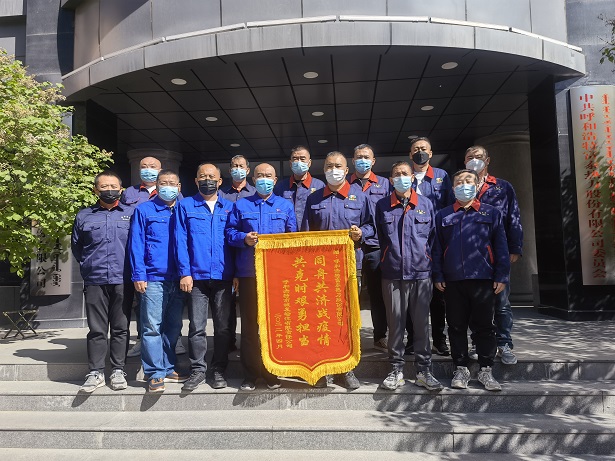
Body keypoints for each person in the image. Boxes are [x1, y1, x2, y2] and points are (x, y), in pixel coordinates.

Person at [301, 151, 374, 390]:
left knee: (347, 318)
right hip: (320, 269)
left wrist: (361, 233)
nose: (334, 170)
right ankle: (324, 368)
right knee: (322, 318)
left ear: (346, 169)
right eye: (330, 166)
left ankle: (346, 368)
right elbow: (305, 233)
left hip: (350, 266)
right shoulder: (313, 199)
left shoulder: (360, 197)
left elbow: (372, 226)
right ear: (324, 170)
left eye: (338, 166)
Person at [432, 169, 510, 391]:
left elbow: (501, 247)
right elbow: (436, 248)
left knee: (484, 326)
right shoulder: (443, 215)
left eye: (468, 181)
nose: (463, 185)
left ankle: (486, 369)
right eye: (459, 182)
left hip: (483, 278)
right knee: (456, 326)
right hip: (453, 280)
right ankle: (461, 368)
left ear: (476, 186)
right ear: (453, 188)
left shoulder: (491, 213)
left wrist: (501, 275)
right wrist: (438, 274)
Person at [225, 163, 297, 391]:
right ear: (253, 179)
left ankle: (272, 372)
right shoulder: (241, 205)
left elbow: (293, 239)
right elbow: (229, 233)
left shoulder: (285, 206)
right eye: (260, 176)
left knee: (274, 326)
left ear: (275, 180)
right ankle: (251, 374)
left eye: (268, 176)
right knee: (249, 327)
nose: (264, 179)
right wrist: (243, 239)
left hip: (277, 277)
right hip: (249, 274)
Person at [375, 161, 443, 391]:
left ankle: (424, 371)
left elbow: (433, 240)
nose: (401, 177)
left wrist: (433, 268)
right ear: (391, 179)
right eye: (396, 174)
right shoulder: (382, 205)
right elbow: (380, 237)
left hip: (421, 274)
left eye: (405, 173)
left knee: (422, 325)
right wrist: (388, 257)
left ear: (412, 177)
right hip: (393, 274)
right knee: (395, 325)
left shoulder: (426, 204)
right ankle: (396, 370)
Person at [71, 170, 135, 393]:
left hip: (123, 279)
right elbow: (77, 247)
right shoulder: (84, 216)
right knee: (97, 329)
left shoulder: (131, 214)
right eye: (104, 187)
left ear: (121, 189)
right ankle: (96, 372)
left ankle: (118, 370)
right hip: (95, 279)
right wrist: (89, 266)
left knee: (120, 327)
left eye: (113, 187)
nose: (109, 190)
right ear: (95, 190)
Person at [175, 163, 235, 391]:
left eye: (212, 176)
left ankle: (218, 369)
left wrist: (237, 274)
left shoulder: (229, 207)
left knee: (222, 327)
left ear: (220, 181)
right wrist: (185, 272)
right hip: (196, 277)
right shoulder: (185, 206)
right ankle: (198, 369)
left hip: (224, 275)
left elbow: (234, 241)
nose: (207, 180)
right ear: (196, 180)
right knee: (197, 327)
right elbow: (180, 241)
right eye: (203, 176)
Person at [464, 145, 523, 365]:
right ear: (465, 162)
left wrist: (515, 247)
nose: (474, 160)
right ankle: (477, 341)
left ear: (487, 160)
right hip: (471, 253)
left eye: (479, 157)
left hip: (498, 252)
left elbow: (514, 217)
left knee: (502, 302)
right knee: (475, 302)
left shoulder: (502, 187)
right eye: (470, 157)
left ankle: (504, 343)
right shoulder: (461, 186)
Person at [129, 169, 186, 393]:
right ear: (157, 185)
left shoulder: (184, 209)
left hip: (179, 277)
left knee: (173, 326)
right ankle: (154, 372)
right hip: (153, 277)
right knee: (152, 327)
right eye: (163, 183)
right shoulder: (144, 210)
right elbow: (136, 243)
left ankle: (168, 367)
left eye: (172, 183)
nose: (168, 187)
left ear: (179, 187)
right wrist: (139, 274)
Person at [406, 137, 455, 357]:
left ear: (431, 153)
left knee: (438, 296)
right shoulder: (404, 176)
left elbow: (450, 207)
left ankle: (439, 339)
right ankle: (412, 339)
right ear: (410, 155)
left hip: (436, 242)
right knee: (411, 296)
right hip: (411, 243)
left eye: (423, 149)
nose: (420, 152)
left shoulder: (441, 176)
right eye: (416, 149)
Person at [347, 143, 391, 352]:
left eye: (366, 157)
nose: (362, 160)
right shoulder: (345, 183)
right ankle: (349, 338)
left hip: (375, 246)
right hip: (350, 248)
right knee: (349, 294)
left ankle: (380, 336)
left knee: (377, 294)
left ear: (373, 161)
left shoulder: (385, 184)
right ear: (352, 161)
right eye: (358, 157)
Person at [218, 154, 256, 352]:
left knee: (251, 305)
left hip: (247, 257)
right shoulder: (221, 194)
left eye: (241, 166)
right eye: (234, 166)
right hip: (226, 255)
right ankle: (230, 341)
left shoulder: (255, 193)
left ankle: (253, 342)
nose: (238, 169)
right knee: (228, 303)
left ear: (248, 170)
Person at [273, 145, 325, 225]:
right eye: (295, 159)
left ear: (309, 163)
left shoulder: (319, 186)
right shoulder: (280, 187)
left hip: (311, 231)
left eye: (302, 159)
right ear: (290, 163)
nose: (299, 162)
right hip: (288, 231)